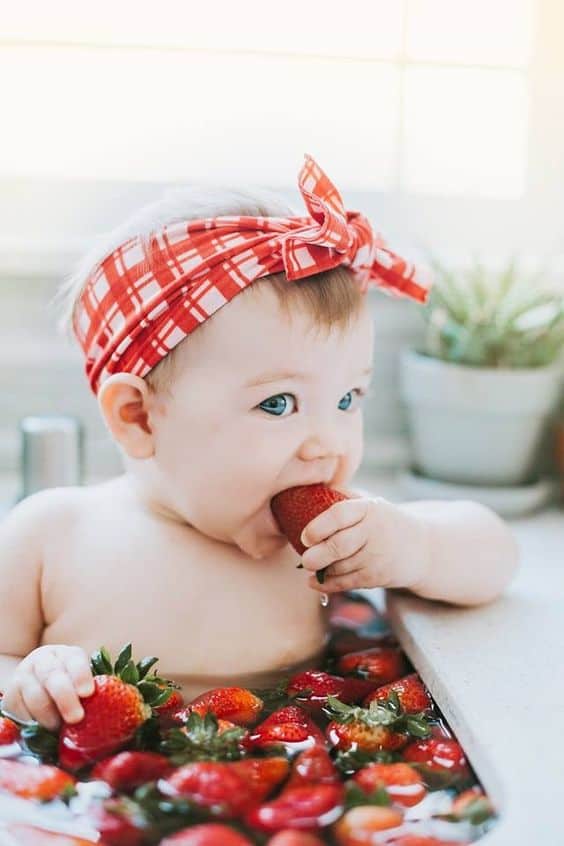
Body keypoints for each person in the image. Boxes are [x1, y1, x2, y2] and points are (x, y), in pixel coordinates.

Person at [0, 155, 519, 732]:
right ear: (139, 417)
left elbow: (494, 553)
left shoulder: (326, 541)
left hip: (283, 763)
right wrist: (29, 679)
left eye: (348, 399)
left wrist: (416, 546)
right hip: (111, 793)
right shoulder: (51, 535)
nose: (327, 442)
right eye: (278, 404)